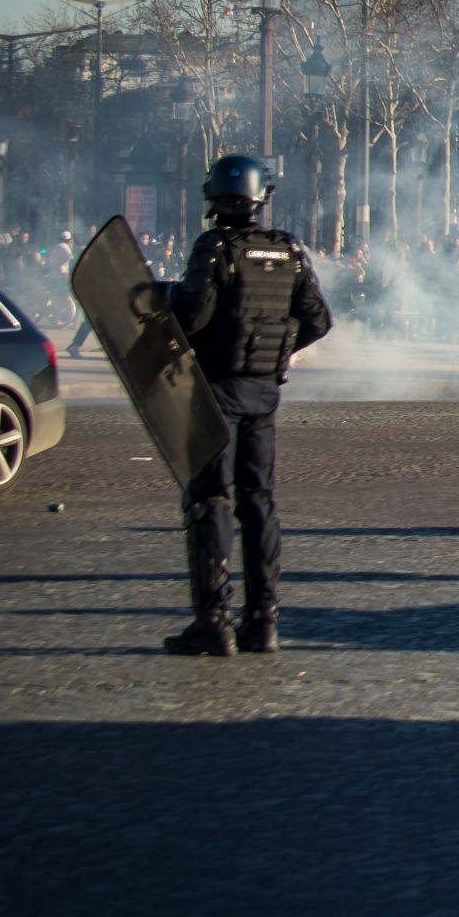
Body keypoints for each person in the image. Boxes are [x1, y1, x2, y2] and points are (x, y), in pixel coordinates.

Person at [162, 155, 334, 656]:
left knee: (210, 499)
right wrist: (279, 349)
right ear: (262, 196)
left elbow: (192, 315)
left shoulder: (215, 248)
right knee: (259, 501)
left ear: (213, 197)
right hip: (264, 392)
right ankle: (264, 621)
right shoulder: (288, 251)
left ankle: (213, 620)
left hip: (215, 391)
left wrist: (166, 301)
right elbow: (319, 321)